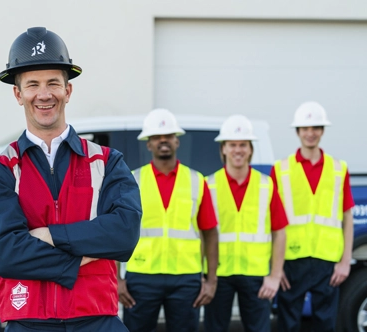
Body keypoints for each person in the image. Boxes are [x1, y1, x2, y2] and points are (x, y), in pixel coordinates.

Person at [0, 27, 142, 331]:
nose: (44, 94)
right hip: (27, 320)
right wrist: (80, 258)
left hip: (97, 319)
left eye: (54, 82)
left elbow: (124, 235)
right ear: (17, 94)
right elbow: (1, 254)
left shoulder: (107, 162)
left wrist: (50, 235)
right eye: (32, 85)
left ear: (68, 90)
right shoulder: (2, 169)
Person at [117, 108, 219, 332]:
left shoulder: (197, 180)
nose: (163, 140)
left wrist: (211, 281)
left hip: (186, 278)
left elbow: (210, 232)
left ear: (177, 141)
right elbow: (117, 231)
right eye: (156, 137)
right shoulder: (133, 181)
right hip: (142, 277)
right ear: (148, 143)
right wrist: (117, 278)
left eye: (168, 136)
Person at [272, 102, 354, 332]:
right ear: (297, 132)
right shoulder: (281, 169)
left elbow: (347, 217)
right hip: (291, 261)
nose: (311, 133)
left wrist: (345, 262)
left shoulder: (339, 169)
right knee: (287, 325)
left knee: (325, 325)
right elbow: (272, 221)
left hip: (327, 262)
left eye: (316, 127)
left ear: (322, 131)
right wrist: (275, 267)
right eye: (305, 128)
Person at [203, 115, 288, 332]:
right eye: (232, 144)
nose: (238, 150)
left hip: (256, 275)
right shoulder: (208, 185)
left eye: (243, 145)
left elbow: (279, 231)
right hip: (218, 274)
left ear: (251, 149)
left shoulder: (266, 185)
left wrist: (275, 275)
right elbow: (200, 234)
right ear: (223, 149)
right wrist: (204, 277)